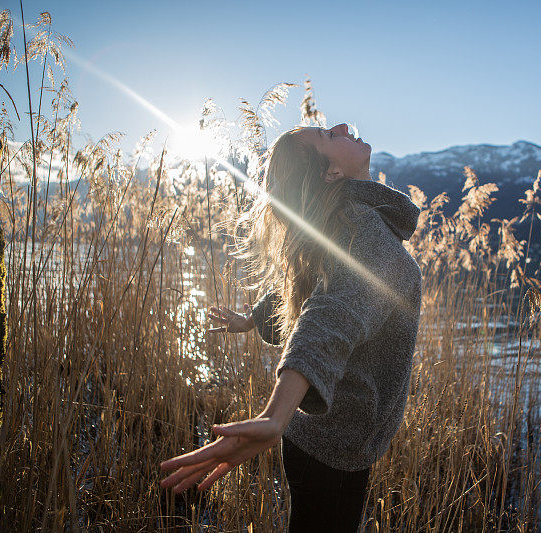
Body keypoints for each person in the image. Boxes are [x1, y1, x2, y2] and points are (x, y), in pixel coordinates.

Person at [160, 123, 423, 532]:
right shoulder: (362, 229)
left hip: (318, 441)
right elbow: (330, 316)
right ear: (331, 173)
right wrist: (274, 416)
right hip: (332, 448)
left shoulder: (341, 224)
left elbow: (312, 293)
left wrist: (251, 319)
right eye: (328, 137)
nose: (340, 126)